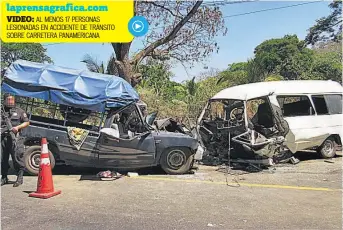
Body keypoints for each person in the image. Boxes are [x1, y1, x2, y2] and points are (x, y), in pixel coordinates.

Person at [1, 94, 30, 187]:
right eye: (8, 100)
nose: (10, 101)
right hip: (2, 138)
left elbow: (27, 122)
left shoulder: (19, 111)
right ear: (4, 100)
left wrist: (17, 127)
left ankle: (20, 178)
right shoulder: (1, 111)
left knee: (17, 157)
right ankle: (4, 177)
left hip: (15, 138)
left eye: (12, 100)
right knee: (3, 159)